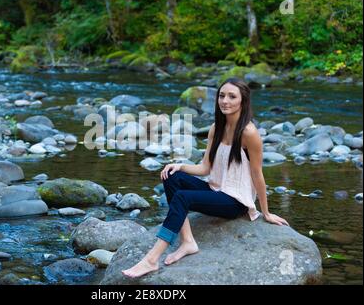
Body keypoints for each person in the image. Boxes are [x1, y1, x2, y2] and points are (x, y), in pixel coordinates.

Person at [122, 78, 290, 278]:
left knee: (183, 197)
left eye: (232, 96)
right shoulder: (215, 128)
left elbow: (257, 174)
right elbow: (205, 168)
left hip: (235, 202)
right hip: (215, 189)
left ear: (243, 102)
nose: (225, 101)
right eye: (222, 95)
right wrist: (180, 165)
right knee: (172, 177)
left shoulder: (249, 133)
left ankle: (151, 260)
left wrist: (266, 212)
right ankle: (188, 241)